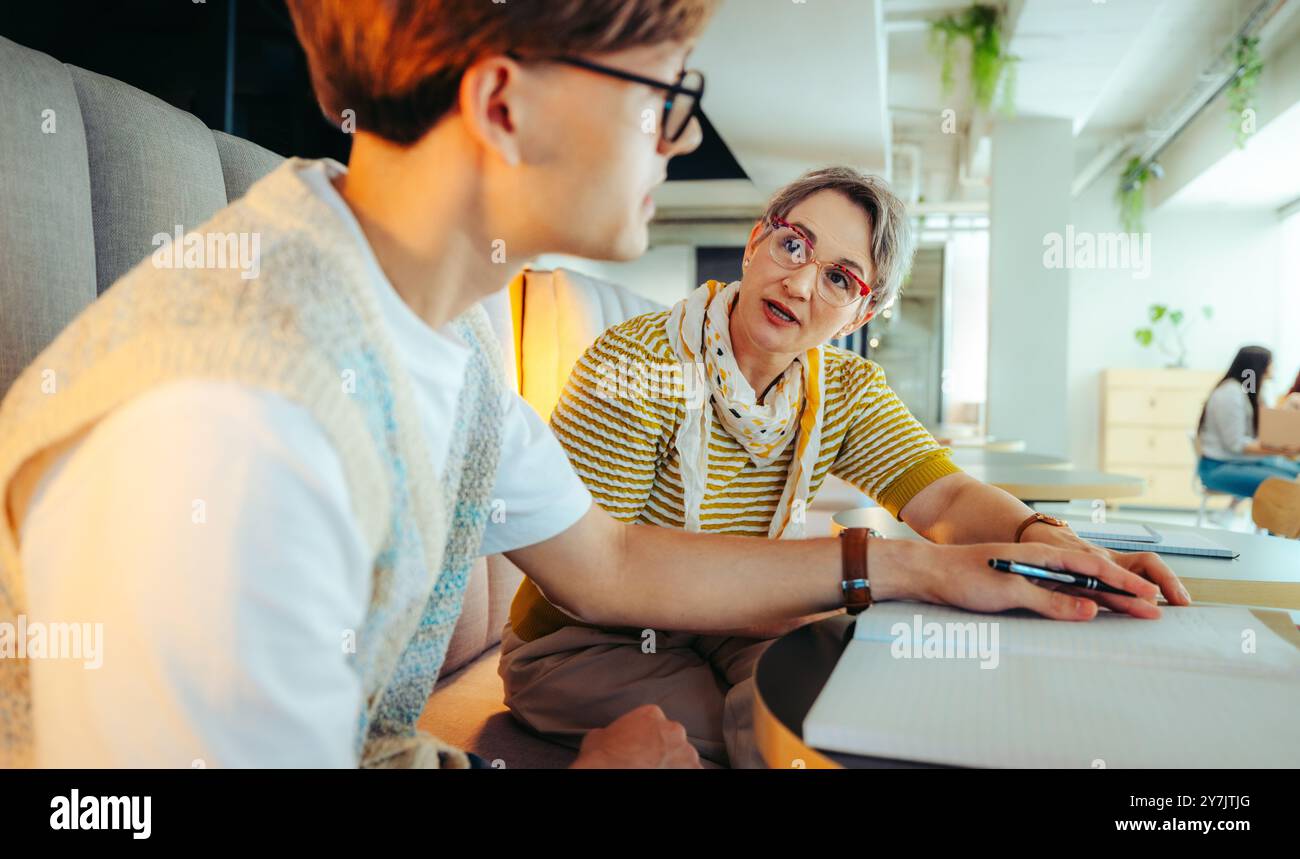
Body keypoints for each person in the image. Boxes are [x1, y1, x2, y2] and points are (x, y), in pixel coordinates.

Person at [0, 0, 1186, 770]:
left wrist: (947, 559)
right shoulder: (236, 429)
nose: (677, 141)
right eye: (665, 93)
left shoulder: (441, 336)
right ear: (505, 104)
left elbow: (610, 560)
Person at [498, 167, 1194, 767]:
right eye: (792, 243)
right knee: (791, 727)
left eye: (838, 276)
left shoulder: (844, 387)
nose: (799, 282)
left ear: (864, 308)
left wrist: (1040, 536)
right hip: (582, 644)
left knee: (863, 700)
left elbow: (946, 497)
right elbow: (598, 576)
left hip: (731, 623)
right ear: (755, 240)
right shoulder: (640, 362)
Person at [1196, 346, 1300, 500]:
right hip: (1219, 468)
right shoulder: (1230, 394)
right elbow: (1236, 445)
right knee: (1290, 485)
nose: (1274, 368)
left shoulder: (1247, 390)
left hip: (1241, 462)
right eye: (1271, 363)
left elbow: (1264, 425)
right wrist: (1281, 451)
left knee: (1296, 471)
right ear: (1259, 366)